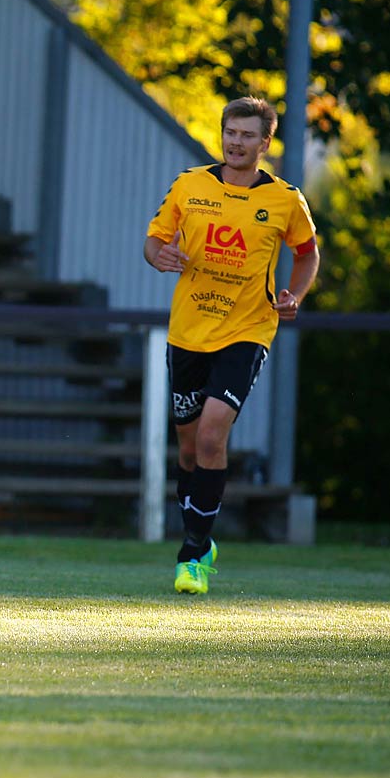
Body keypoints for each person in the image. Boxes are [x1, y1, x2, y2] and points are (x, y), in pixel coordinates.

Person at [144, 96, 320, 595]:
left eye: (247, 135)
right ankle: (199, 538)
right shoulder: (190, 184)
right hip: (188, 333)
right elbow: (153, 241)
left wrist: (295, 295)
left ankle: (193, 554)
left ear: (266, 143)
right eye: (230, 132)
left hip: (248, 329)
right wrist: (160, 256)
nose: (236, 142)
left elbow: (307, 256)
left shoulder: (286, 199)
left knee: (211, 436)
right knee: (187, 449)